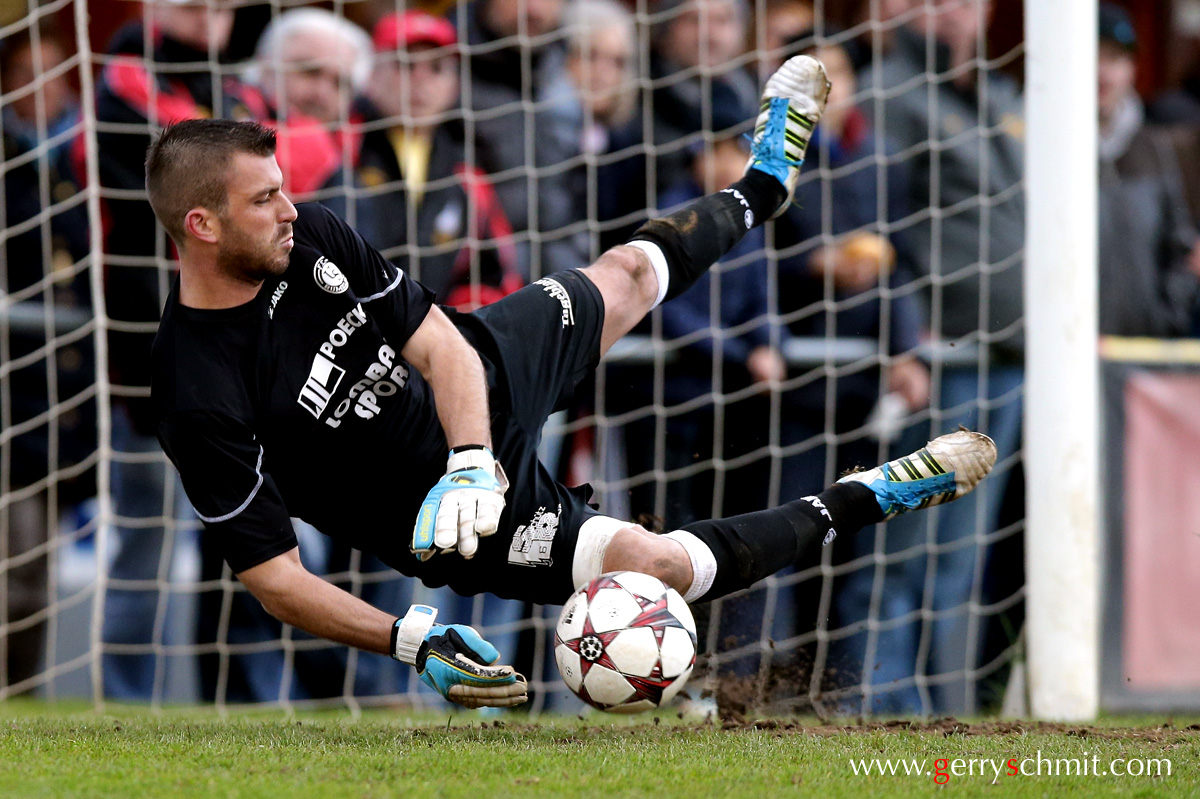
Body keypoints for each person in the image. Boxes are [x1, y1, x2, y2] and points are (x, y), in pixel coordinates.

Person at [145, 56, 996, 708]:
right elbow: (275, 579)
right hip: (446, 524)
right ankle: (873, 494)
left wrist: (472, 456)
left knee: (626, 269)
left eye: (285, 190)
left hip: (473, 385)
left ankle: (763, 185)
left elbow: (439, 343)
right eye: (265, 200)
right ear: (202, 225)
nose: (290, 210)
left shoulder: (317, 236)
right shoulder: (194, 389)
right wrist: (415, 639)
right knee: (651, 562)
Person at [858, 0, 1024, 715]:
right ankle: (889, 703)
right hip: (941, 360)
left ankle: (945, 707)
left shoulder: (997, 96)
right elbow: (880, 226)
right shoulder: (891, 92)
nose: (960, 11)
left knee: (962, 558)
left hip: (1007, 355)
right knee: (907, 549)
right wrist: (907, 340)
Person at [0, 25, 93, 694]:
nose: (44, 87)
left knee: (37, 563)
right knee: (17, 558)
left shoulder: (81, 159)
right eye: (29, 72)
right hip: (11, 390)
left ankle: (22, 687)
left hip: (67, 395)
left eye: (55, 73)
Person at [333, 10, 520, 304]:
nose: (420, 81)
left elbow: (495, 275)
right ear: (372, 74)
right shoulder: (336, 148)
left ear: (454, 85)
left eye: (436, 68)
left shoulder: (466, 176)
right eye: (405, 65)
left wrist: (459, 322)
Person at [461, 0, 589, 279]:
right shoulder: (445, 73)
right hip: (479, 284)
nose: (534, 10)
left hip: (564, 277)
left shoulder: (565, 78)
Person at [1095, 2, 1200, 337]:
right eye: (1092, 56)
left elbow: (1179, 246)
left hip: (1143, 354)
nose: (1103, 74)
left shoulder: (1154, 148)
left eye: (1114, 59)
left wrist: (1167, 316)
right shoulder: (1033, 146)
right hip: (1057, 352)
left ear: (1132, 68)